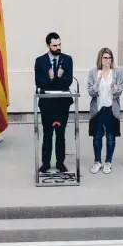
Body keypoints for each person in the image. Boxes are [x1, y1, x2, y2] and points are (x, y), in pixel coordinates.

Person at [34, 32, 74, 173]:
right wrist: (51, 79)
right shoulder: (40, 61)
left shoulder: (67, 59)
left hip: (62, 103)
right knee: (47, 133)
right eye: (55, 45)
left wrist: (57, 77)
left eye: (59, 44)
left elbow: (68, 81)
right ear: (48, 45)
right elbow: (39, 82)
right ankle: (45, 163)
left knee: (61, 134)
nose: (58, 47)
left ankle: (60, 163)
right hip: (47, 103)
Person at [87, 48, 123, 174]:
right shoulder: (93, 72)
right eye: (105, 58)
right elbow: (91, 92)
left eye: (109, 58)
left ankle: (108, 162)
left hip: (111, 108)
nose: (107, 60)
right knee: (97, 137)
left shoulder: (117, 72)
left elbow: (119, 91)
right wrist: (97, 81)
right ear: (100, 59)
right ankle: (97, 161)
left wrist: (114, 87)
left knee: (110, 137)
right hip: (98, 109)